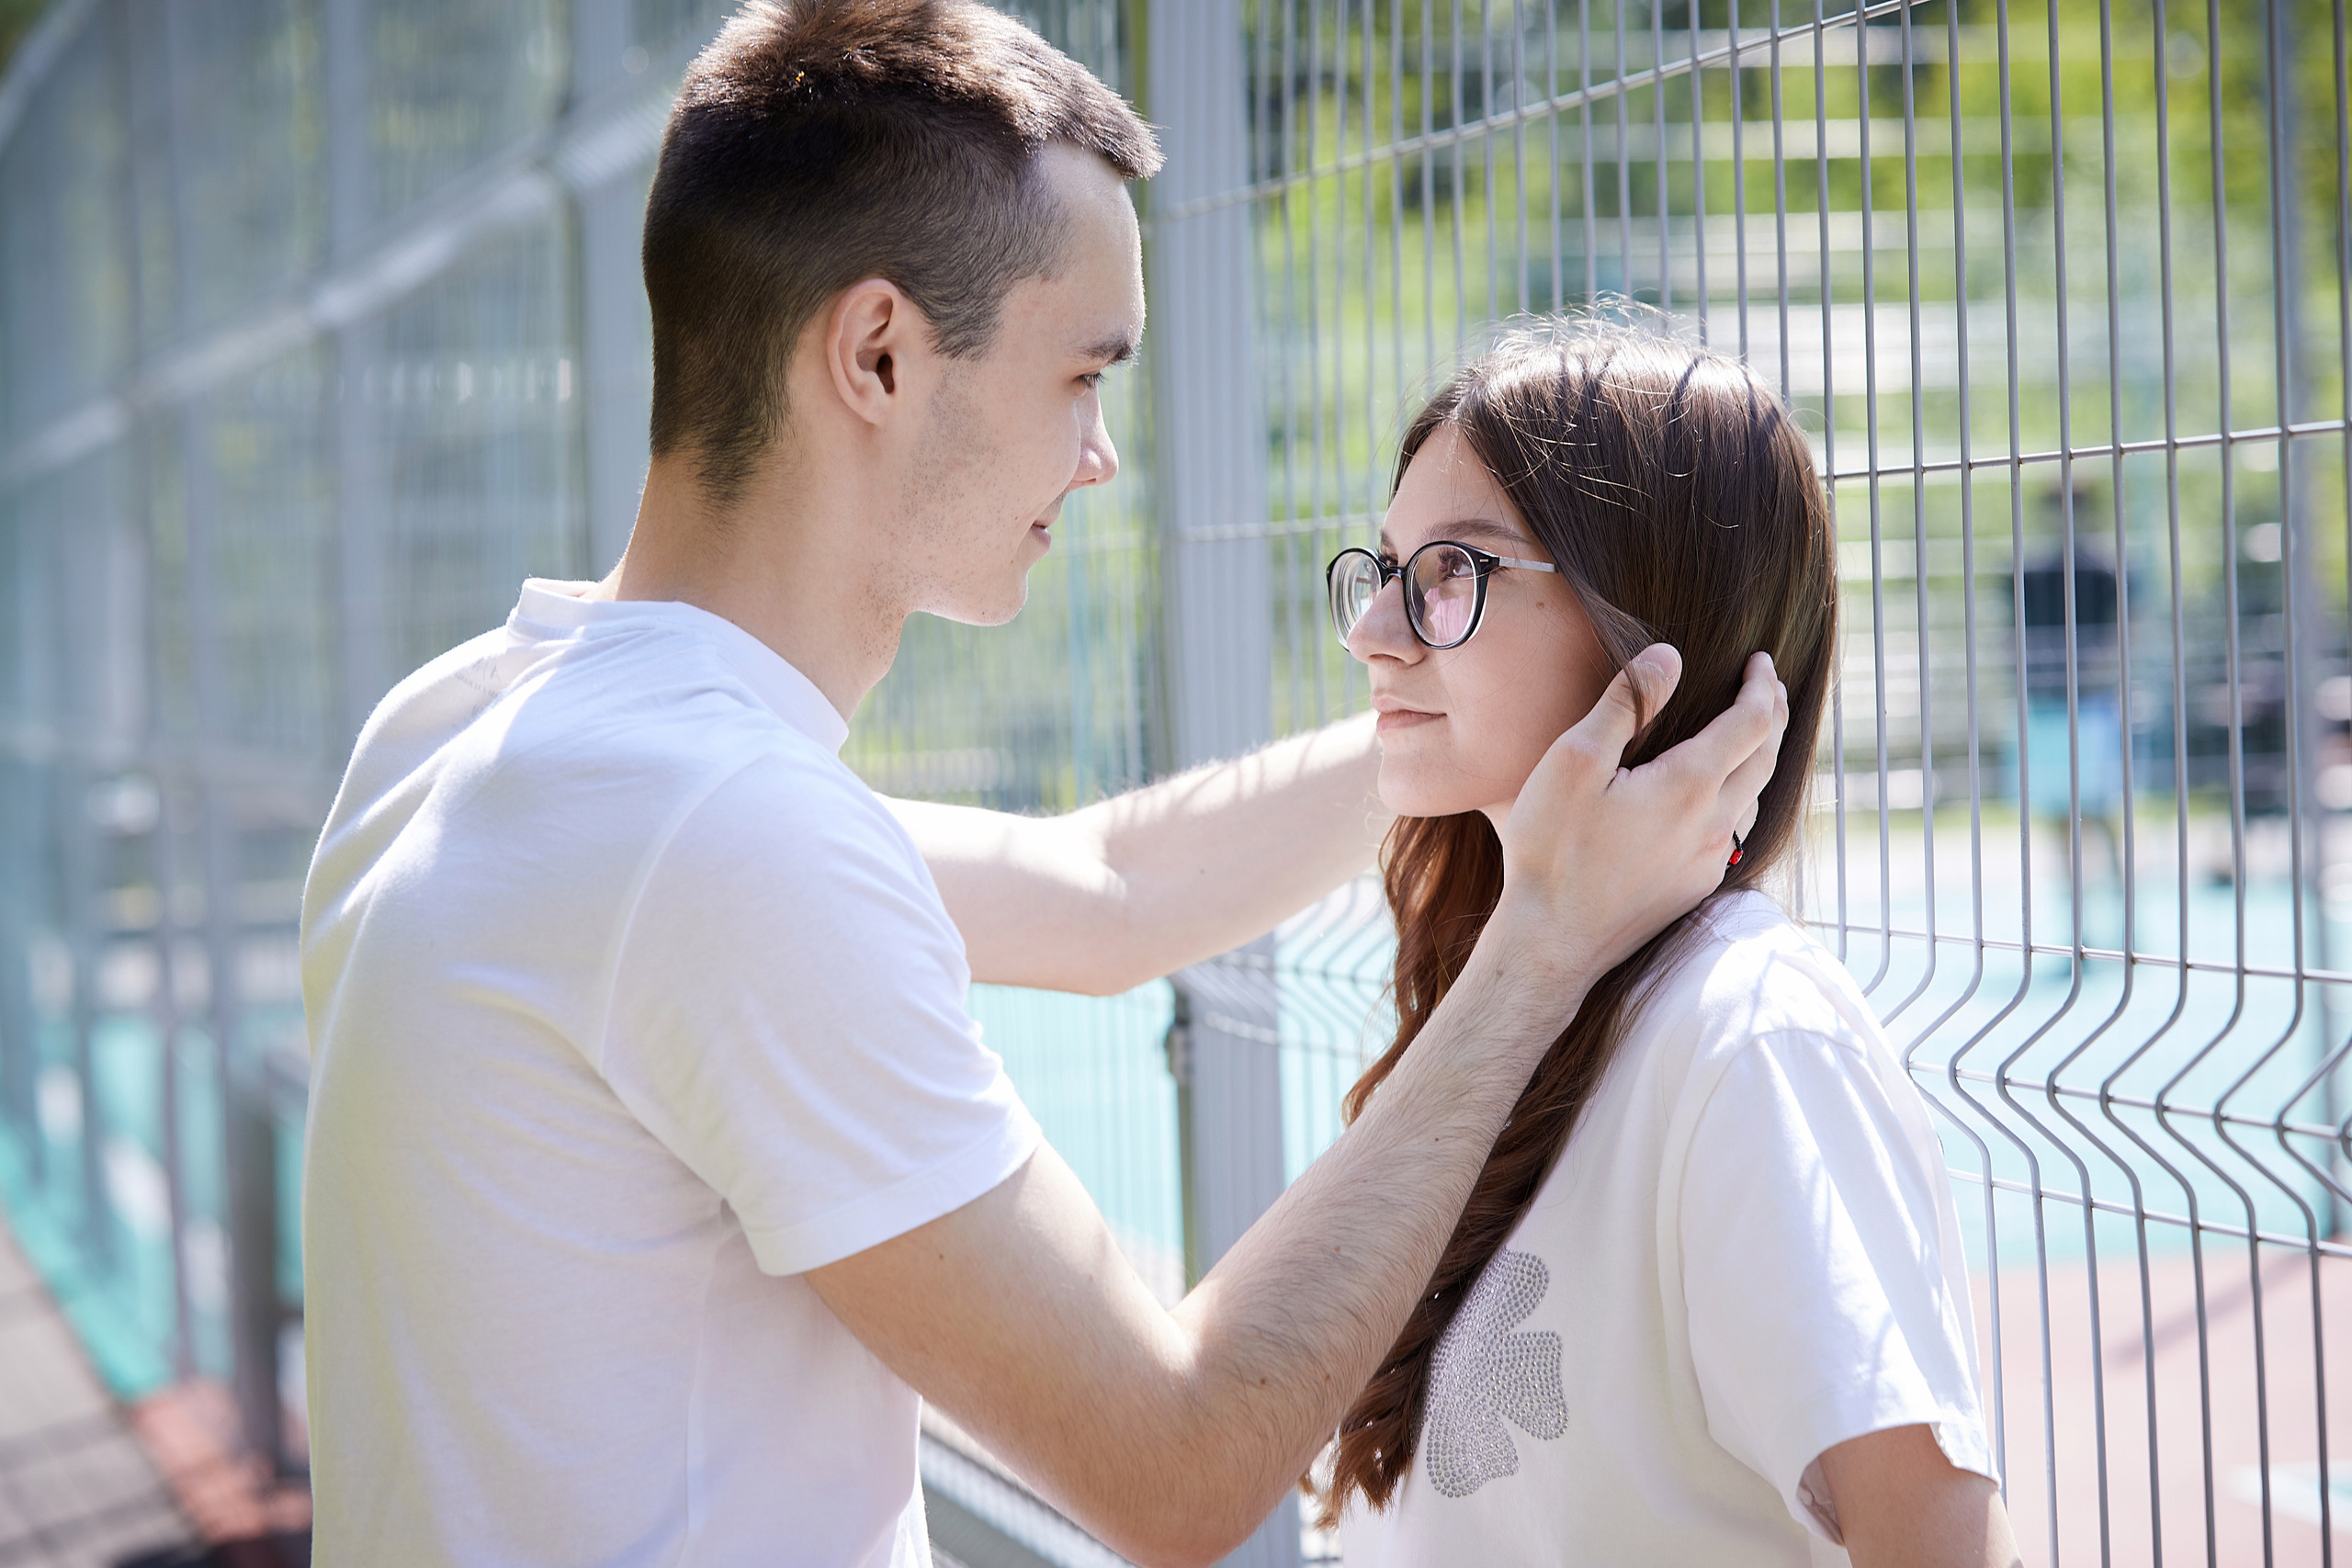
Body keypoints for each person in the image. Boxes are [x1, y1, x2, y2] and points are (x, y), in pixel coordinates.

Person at [298, 6, 1786, 1565]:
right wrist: (1539, 940)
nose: (1101, 456)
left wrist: (1478, 717)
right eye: (1084, 374)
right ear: (875, 354)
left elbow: (1105, 894)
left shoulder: (470, 727)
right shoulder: (727, 842)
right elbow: (1178, 1466)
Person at [1317, 321, 2020, 1568]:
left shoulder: (1748, 1038)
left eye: (1450, 572)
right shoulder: (1519, 1002)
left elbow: (1938, 1545)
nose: (1377, 629)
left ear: (1653, 627)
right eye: (1383, 568)